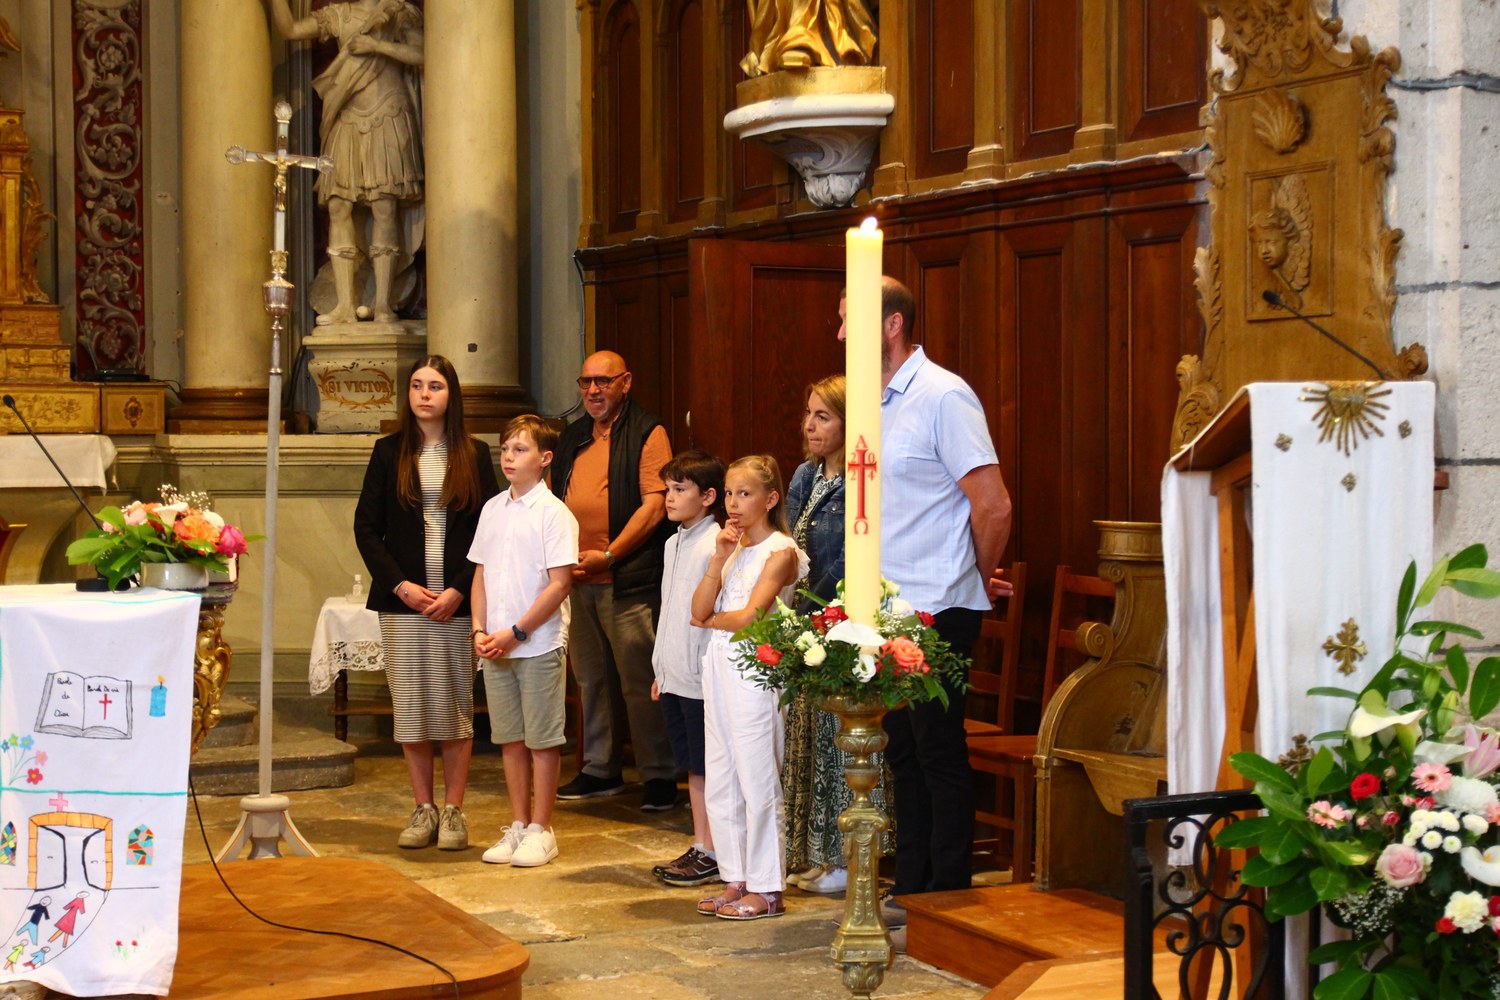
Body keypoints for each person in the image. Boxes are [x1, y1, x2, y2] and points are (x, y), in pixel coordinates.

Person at [837, 277, 1013, 923]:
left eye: (851, 319)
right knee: (903, 751)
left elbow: (993, 505)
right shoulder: (870, 401)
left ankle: (947, 893)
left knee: (937, 749)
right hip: (888, 605)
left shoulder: (943, 395)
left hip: (940, 604)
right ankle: (910, 885)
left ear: (892, 324)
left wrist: (972, 579)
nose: (841, 335)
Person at [354, 355, 499, 851]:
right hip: (405, 604)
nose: (423, 394)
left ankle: (454, 810)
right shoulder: (388, 451)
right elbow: (366, 528)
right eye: (416, 385)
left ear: (450, 395)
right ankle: (423, 808)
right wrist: (401, 586)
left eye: (434, 386)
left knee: (453, 707)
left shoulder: (474, 453)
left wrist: (459, 588)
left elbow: (488, 529)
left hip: (456, 601)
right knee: (413, 708)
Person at [551, 351, 678, 811]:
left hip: (627, 579)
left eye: (603, 381)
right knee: (592, 679)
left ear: (626, 382)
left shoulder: (647, 431)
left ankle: (659, 774)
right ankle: (599, 769)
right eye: (585, 382)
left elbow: (655, 505)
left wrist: (609, 555)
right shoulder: (573, 436)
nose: (593, 390)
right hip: (576, 578)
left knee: (639, 681)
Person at [781, 375, 892, 895]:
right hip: (808, 623)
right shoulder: (806, 474)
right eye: (808, 413)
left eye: (823, 416)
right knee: (810, 740)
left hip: (842, 623)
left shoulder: (860, 477)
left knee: (840, 743)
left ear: (851, 422)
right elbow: (790, 544)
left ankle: (850, 857)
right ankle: (818, 852)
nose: (810, 425)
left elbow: (852, 558)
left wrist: (815, 612)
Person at [691, 456, 807, 921]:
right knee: (722, 775)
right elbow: (697, 608)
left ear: (770, 498)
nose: (733, 503)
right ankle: (736, 876)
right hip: (718, 665)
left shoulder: (781, 551)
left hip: (757, 669)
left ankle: (768, 885)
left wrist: (710, 621)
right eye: (729, 493)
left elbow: (751, 618)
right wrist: (719, 557)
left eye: (745, 493)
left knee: (757, 776)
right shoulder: (733, 547)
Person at [268, 0, 424, 326]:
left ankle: (383, 305)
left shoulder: (399, 12)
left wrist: (377, 46)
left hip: (388, 114)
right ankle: (344, 305)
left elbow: (424, 55)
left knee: (384, 205)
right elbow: (291, 29)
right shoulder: (340, 15)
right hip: (346, 117)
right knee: (338, 205)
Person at [470, 415, 579, 869]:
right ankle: (517, 824)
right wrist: (480, 629)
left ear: (545, 458)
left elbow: (560, 584)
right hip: (496, 642)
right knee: (510, 738)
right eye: (505, 449)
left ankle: (541, 828)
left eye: (520, 449)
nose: (509, 457)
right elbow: (480, 573)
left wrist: (517, 632)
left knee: (542, 739)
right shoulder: (492, 508)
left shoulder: (554, 513)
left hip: (536, 643)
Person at [649, 450, 726, 887]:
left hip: (701, 677)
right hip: (674, 672)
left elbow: (708, 613)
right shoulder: (672, 542)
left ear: (708, 496)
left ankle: (716, 849)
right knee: (692, 767)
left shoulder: (716, 543)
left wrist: (700, 669)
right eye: (668, 489)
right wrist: (661, 668)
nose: (670, 497)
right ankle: (702, 844)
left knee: (707, 765)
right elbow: (670, 610)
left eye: (680, 489)